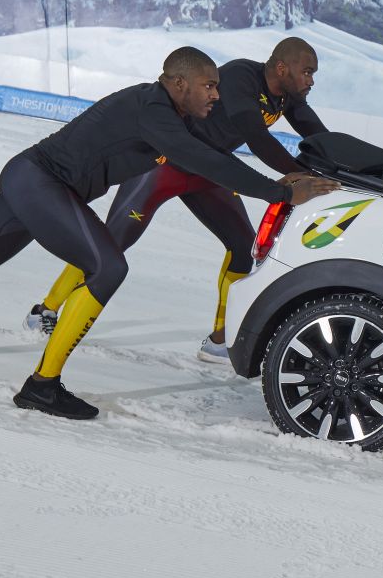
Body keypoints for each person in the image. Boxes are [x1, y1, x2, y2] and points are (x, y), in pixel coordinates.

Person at [0, 48, 337, 421]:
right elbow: (206, 160)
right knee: (108, 267)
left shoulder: (172, 115)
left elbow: (216, 150)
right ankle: (42, 386)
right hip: (40, 183)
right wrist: (281, 192)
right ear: (179, 83)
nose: (216, 95)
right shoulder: (154, 110)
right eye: (208, 87)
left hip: (29, 179)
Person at [26, 37, 335, 363]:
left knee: (243, 245)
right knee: (111, 244)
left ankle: (219, 341)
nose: (311, 81)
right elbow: (256, 136)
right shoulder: (241, 76)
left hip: (210, 171)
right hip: (164, 165)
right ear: (282, 68)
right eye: (307, 72)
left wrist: (352, 164)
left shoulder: (287, 97)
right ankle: (45, 309)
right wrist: (298, 175)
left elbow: (319, 135)